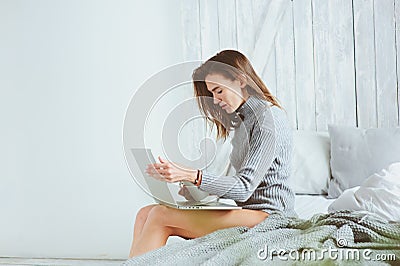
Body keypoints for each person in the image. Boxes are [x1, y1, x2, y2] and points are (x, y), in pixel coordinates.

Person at [128, 50, 296, 258]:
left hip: (271, 217)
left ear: (240, 80)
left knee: (160, 216)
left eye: (218, 91)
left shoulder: (267, 120)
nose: (215, 100)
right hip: (249, 214)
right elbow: (234, 184)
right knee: (145, 213)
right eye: (212, 94)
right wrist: (198, 191)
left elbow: (244, 188)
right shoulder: (245, 121)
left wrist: (194, 176)